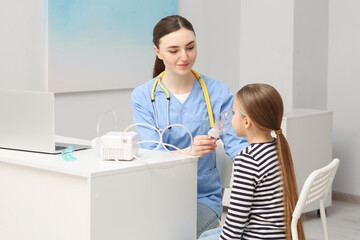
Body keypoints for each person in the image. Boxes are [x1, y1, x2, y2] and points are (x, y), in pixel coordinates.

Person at [130, 15, 248, 238]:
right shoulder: (143, 96)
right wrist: (188, 153)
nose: (185, 57)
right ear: (158, 52)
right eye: (174, 51)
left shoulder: (217, 92)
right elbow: (150, 153)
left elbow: (237, 146)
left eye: (190, 47)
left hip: (202, 197)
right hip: (156, 193)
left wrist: (262, 165)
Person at [199, 83, 305, 240]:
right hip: (279, 234)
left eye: (234, 113)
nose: (229, 117)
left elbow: (233, 229)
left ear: (246, 122)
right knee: (207, 234)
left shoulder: (248, 159)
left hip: (258, 236)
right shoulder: (278, 148)